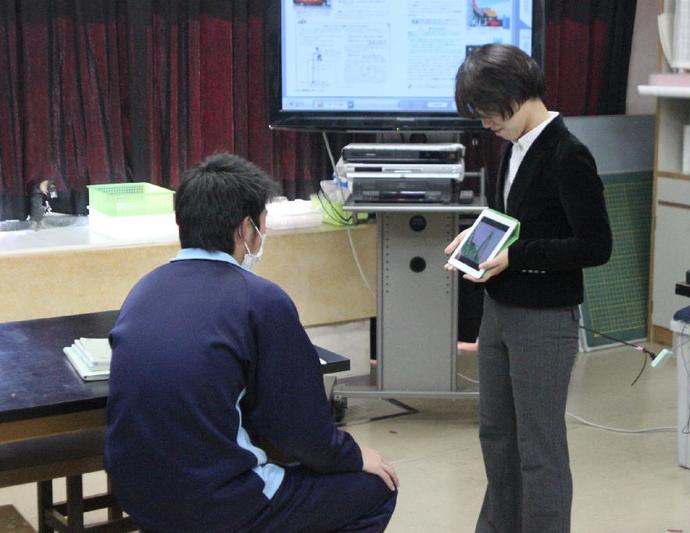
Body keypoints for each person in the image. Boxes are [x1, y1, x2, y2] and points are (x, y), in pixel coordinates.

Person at [105, 152, 398, 533]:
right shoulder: (260, 299)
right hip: (219, 504)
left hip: (137, 496)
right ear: (246, 229)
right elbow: (301, 430)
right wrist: (354, 455)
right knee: (376, 488)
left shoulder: (144, 289)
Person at [446, 44, 612, 532]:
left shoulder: (568, 155)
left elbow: (595, 245)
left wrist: (516, 256)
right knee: (497, 437)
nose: (485, 124)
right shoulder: (512, 146)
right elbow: (514, 221)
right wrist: (477, 236)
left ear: (516, 94)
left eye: (488, 112)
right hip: (499, 310)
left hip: (544, 319)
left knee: (539, 449)